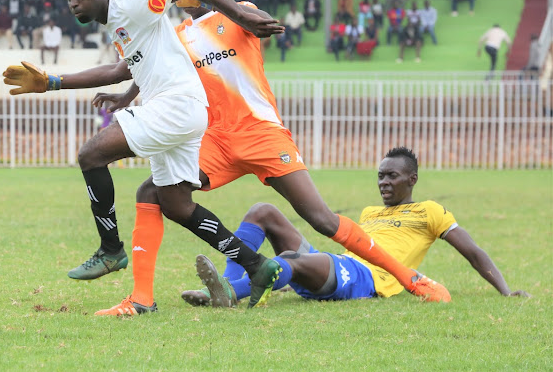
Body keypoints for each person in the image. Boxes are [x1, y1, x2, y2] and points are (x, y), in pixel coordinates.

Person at [86, 0, 450, 315]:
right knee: (153, 192)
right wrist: (125, 97)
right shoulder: (178, 35)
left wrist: (250, 19)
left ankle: (410, 278)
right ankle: (140, 299)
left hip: (262, 133)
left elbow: (250, 19)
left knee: (322, 219)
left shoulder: (239, 12)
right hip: (215, 140)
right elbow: (142, 66)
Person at [2, 0, 286, 313]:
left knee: (91, 154)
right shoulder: (119, 24)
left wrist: (242, 16)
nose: (73, 2)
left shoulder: (133, 1)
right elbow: (116, 70)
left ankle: (110, 250)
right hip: (180, 110)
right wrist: (52, 82)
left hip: (176, 106)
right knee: (177, 206)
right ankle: (257, 266)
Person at [182, 147, 530, 308]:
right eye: (380, 176)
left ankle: (231, 294)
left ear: (412, 179)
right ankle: (228, 284)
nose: (383, 182)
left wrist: (504, 289)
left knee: (290, 258)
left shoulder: (430, 211)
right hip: (340, 265)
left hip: (366, 280)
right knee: (263, 210)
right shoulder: (369, 212)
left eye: (391, 176)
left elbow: (472, 250)